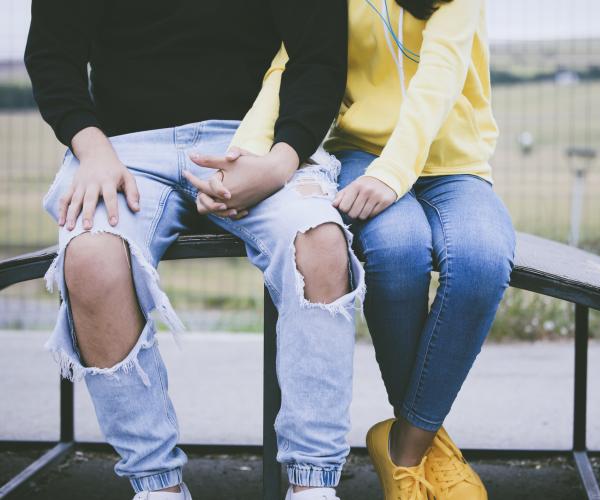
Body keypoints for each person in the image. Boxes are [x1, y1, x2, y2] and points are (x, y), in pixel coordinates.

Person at [25, 1, 362, 499]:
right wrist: (91, 149)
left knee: (320, 242)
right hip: (121, 148)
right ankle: (157, 485)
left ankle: (313, 484)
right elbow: (53, 55)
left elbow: (321, 59)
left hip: (256, 144)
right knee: (92, 258)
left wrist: (278, 162)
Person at [195, 0, 516, 498]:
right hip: (362, 154)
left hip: (455, 164)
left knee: (482, 261)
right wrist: (244, 155)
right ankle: (429, 454)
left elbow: (441, 75)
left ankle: (406, 451)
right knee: (397, 251)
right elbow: (288, 67)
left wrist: (394, 174)